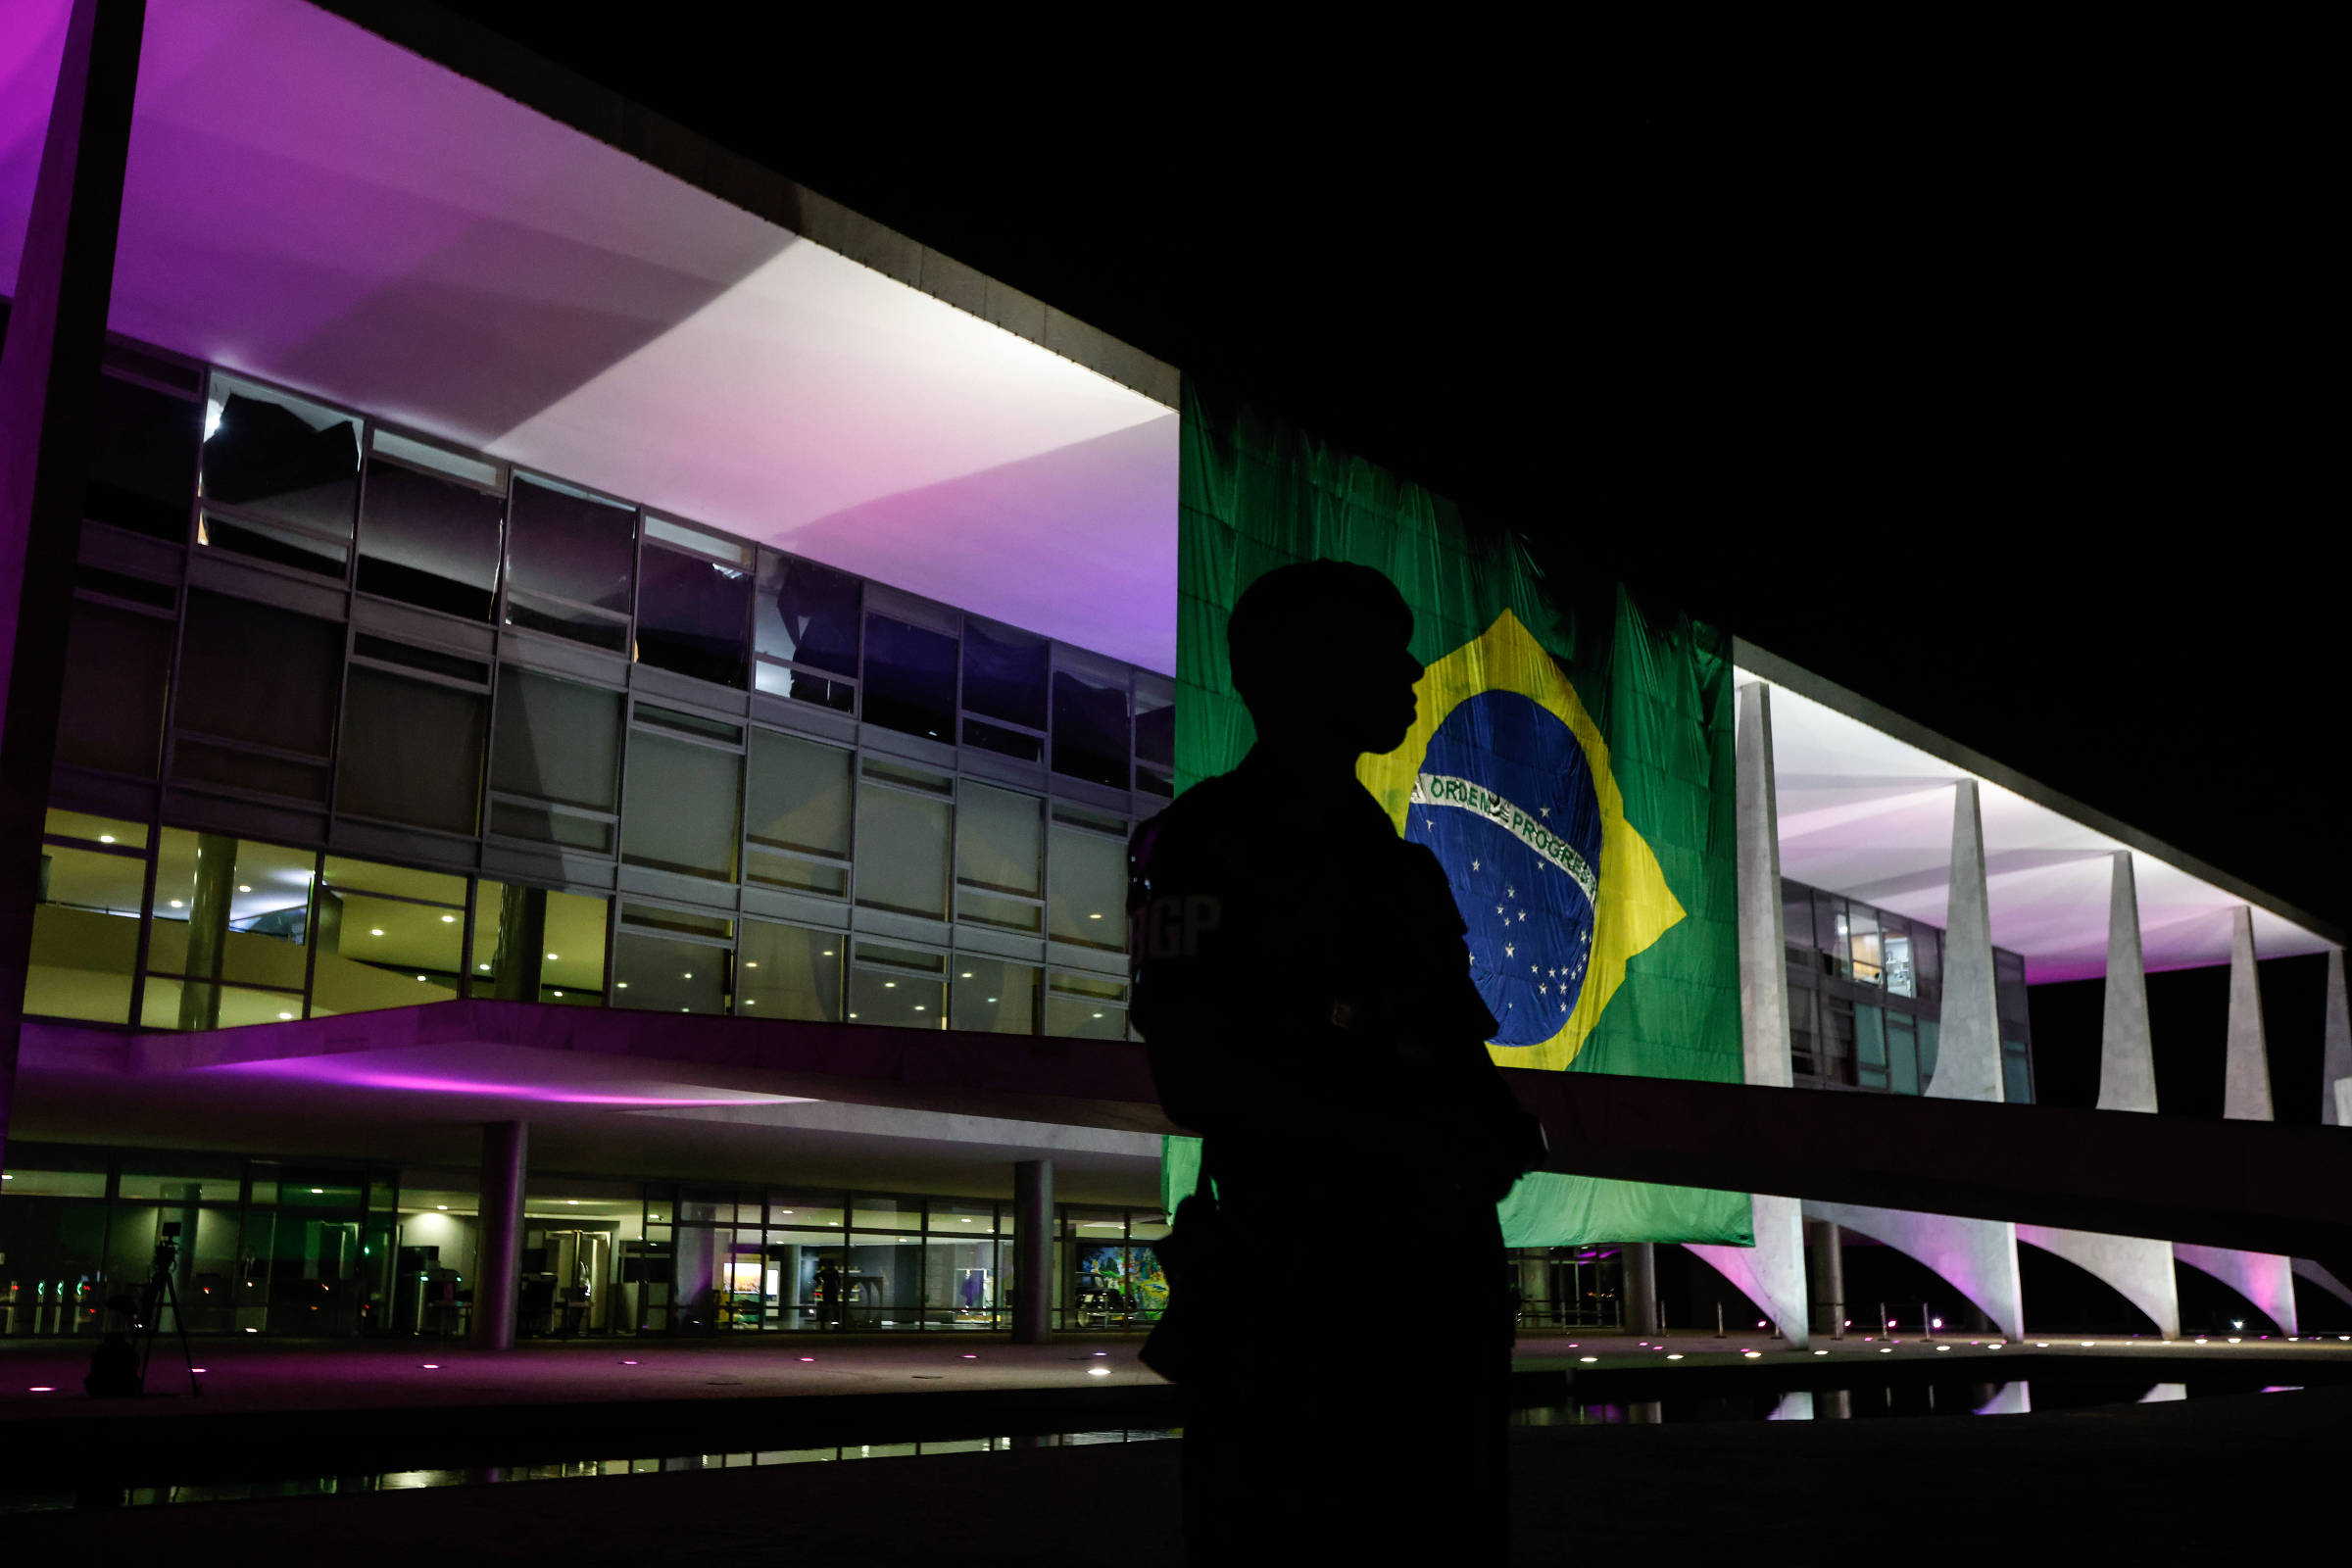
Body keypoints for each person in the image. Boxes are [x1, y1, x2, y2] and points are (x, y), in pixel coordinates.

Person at [1129, 560, 1549, 1563]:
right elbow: (1197, 1069)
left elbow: (1453, 1048)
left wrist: (1478, 1125)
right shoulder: (1210, 841)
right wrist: (1404, 1122)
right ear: (1308, 669)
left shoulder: (1400, 864)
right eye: (1379, 651)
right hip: (1306, 1300)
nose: (1409, 672)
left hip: (1425, 1291)